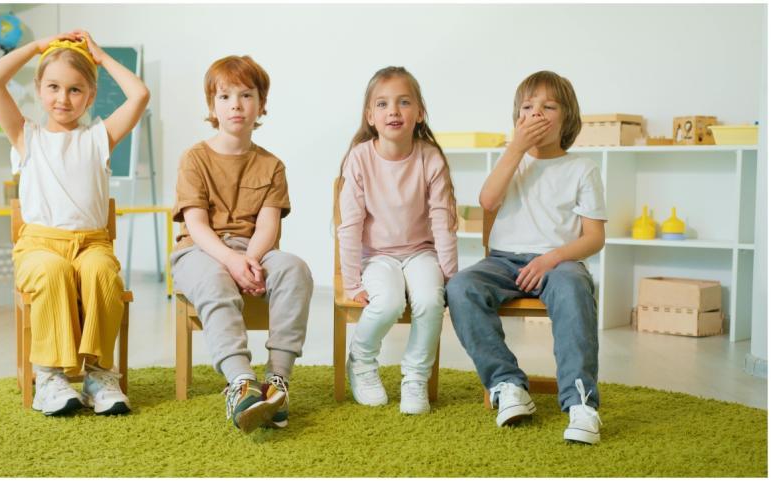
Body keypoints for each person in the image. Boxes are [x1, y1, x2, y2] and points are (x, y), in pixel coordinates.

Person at [0, 30, 150, 415]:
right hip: (39, 246)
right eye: (53, 87)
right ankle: (50, 376)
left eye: (75, 90)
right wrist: (39, 47)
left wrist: (101, 56)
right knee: (52, 271)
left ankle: (99, 374)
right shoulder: (26, 135)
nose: (63, 98)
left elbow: (139, 95)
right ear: (39, 89)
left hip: (92, 243)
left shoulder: (99, 138)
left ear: (90, 96)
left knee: (104, 274)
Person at [446, 71, 607, 444]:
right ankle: (506, 385)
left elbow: (594, 237)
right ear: (517, 118)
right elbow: (487, 201)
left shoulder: (582, 168)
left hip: (559, 262)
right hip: (503, 261)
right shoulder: (512, 159)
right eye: (527, 107)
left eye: (549, 107)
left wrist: (550, 260)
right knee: (461, 287)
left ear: (567, 117)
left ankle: (581, 404)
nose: (537, 114)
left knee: (573, 288)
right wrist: (515, 149)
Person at [171, 55, 313, 433]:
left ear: (261, 104)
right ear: (212, 107)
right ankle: (240, 383)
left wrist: (248, 258)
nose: (236, 104)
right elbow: (196, 224)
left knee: (295, 268)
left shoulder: (272, 166)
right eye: (225, 96)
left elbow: (267, 225)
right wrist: (232, 261)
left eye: (246, 95)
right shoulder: (194, 158)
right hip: (200, 252)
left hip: (253, 251)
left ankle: (276, 383)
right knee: (215, 280)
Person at [338, 66, 458, 415]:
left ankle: (415, 377)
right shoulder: (360, 159)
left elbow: (442, 220)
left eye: (404, 102)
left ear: (419, 113)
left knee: (429, 301)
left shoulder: (429, 157)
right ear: (370, 116)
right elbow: (350, 224)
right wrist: (352, 282)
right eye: (383, 104)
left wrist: (450, 275)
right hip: (377, 257)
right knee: (388, 302)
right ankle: (361, 360)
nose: (393, 111)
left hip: (421, 253)